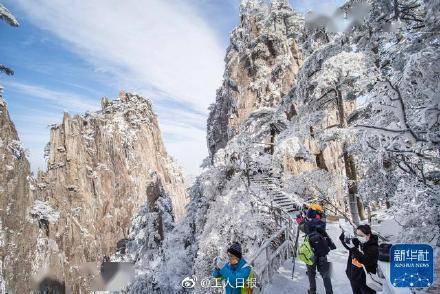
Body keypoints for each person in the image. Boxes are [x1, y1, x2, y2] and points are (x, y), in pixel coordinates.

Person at [302, 208, 336, 294]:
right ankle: (329, 292)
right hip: (322, 252)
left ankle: (312, 291)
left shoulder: (306, 224)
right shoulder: (321, 222)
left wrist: (303, 218)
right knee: (326, 274)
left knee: (311, 273)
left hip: (310, 252)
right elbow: (325, 233)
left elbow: (300, 227)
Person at [339, 224, 379, 294]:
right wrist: (343, 236)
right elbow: (348, 246)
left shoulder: (373, 247)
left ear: (368, 235)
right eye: (357, 235)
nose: (358, 237)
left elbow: (365, 260)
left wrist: (353, 248)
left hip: (366, 282)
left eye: (361, 235)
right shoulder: (358, 241)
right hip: (354, 277)